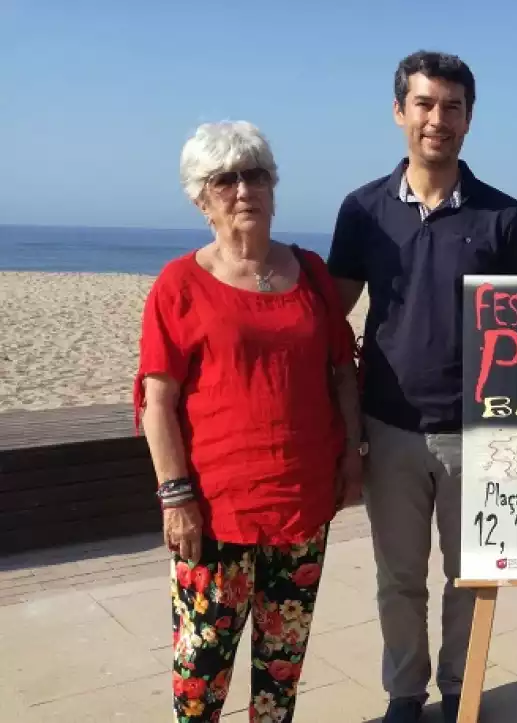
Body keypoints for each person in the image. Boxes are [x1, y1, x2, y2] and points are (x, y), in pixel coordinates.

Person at [325, 50, 517, 723]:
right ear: (399, 112)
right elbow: (331, 318)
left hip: (476, 430)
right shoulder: (362, 210)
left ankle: (460, 692)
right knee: (398, 579)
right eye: (424, 104)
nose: (436, 119)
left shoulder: (503, 216)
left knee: (472, 578)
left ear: (470, 119)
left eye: (451, 107)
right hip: (388, 428)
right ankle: (404, 694)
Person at [136, 120, 362, 723]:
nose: (244, 189)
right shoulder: (179, 284)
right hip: (214, 511)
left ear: (273, 185)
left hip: (303, 501)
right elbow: (156, 402)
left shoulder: (311, 272)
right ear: (200, 197)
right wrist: (174, 496)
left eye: (256, 173)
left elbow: (342, 371)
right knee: (201, 669)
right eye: (225, 178)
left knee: (281, 667)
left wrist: (352, 458)